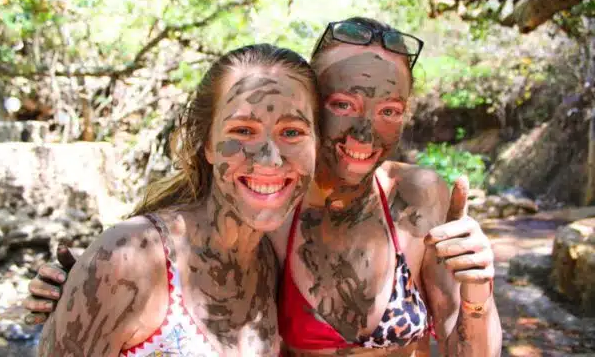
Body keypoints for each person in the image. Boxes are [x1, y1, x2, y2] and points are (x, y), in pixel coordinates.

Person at [26, 18, 502, 356]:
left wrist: (476, 286)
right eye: (343, 103)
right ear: (316, 112)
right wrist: (86, 285)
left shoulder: (415, 195)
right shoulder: (269, 210)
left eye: (390, 111)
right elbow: (168, 261)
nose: (364, 132)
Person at [33, 43, 320, 356]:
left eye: (292, 132)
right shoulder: (130, 260)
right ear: (207, 144)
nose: (270, 159)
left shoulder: (274, 259)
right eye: (242, 130)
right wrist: (90, 281)